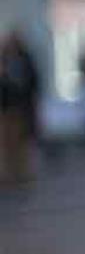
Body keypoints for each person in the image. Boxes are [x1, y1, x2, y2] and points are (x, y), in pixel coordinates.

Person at [0, 30, 42, 187]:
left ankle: (22, 173)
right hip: (5, 108)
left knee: (22, 142)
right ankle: (8, 174)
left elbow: (33, 82)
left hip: (20, 107)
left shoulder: (25, 60)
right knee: (6, 144)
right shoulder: (4, 60)